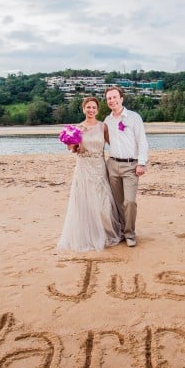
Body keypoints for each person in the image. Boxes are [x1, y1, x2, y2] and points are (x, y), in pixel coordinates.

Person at [57, 97, 122, 252]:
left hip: (99, 167)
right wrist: (72, 145)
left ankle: (105, 232)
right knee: (84, 201)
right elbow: (72, 149)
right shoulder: (77, 128)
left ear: (97, 110)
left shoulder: (103, 127)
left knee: (103, 202)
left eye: (93, 107)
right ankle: (87, 234)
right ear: (84, 109)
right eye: (88, 107)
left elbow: (114, 144)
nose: (91, 110)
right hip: (83, 166)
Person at [103, 86, 149, 247]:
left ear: (121, 99)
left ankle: (130, 233)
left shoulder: (134, 117)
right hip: (113, 165)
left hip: (131, 166)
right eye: (109, 98)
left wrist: (141, 163)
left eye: (114, 97)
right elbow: (106, 141)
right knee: (117, 202)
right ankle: (122, 231)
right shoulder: (107, 121)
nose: (112, 100)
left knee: (129, 201)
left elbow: (142, 141)